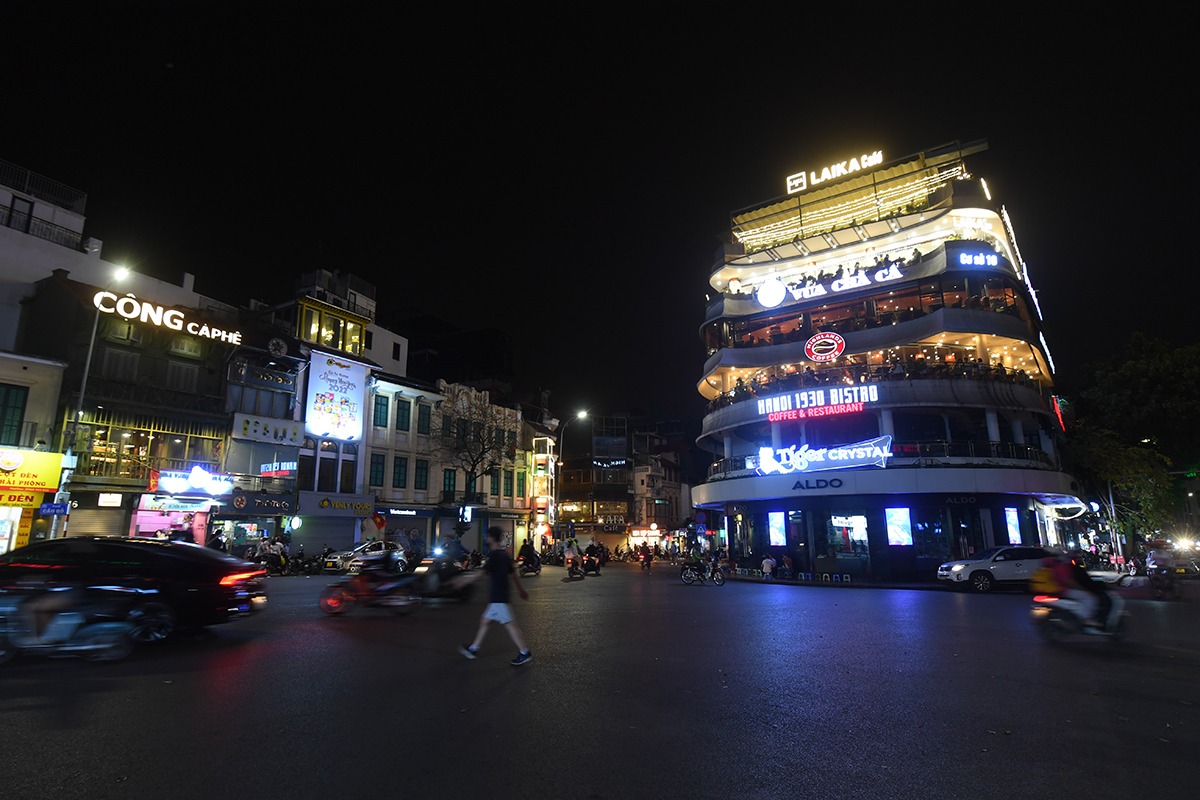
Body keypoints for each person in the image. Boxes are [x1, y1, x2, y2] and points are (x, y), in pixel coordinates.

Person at [459, 527, 532, 666]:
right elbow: (513, 574)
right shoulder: (504, 555)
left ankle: (524, 652)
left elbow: (481, 573)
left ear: (492, 538)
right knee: (485, 621)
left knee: (511, 626)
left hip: (499, 597)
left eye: (487, 536)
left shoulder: (495, 556)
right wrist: (521, 590)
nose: (486, 539)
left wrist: (463, 582)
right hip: (499, 597)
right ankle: (474, 648)